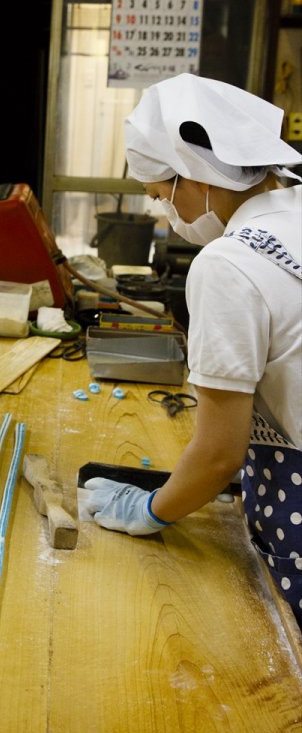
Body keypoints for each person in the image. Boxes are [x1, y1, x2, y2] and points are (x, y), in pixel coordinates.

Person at [83, 73, 302, 626]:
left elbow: (218, 452)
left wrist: (151, 510)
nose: (168, 214)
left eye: (161, 195)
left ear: (194, 175)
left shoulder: (228, 265)